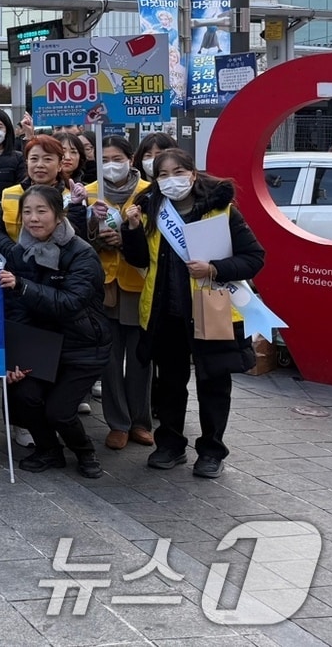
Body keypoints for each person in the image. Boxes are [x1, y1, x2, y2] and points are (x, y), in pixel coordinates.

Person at [121, 149, 265, 478]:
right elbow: (140, 260)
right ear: (156, 180)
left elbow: (254, 257)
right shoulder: (151, 210)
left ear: (193, 173)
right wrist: (131, 229)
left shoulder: (221, 211)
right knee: (169, 385)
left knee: (213, 384)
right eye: (163, 175)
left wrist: (214, 268)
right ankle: (169, 445)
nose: (172, 180)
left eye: (178, 172)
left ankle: (212, 451)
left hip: (210, 311)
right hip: (165, 314)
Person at [0, 186, 111, 478]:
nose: (33, 219)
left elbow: (70, 304)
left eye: (41, 211)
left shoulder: (82, 254)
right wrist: (16, 358)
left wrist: (23, 286)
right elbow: (15, 310)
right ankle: (49, 450)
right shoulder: (19, 253)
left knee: (59, 411)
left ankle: (85, 452)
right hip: (41, 346)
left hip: (83, 346)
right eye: (27, 212)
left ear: (59, 216)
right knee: (23, 393)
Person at [86, 136, 154, 451]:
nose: (112, 165)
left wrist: (126, 239)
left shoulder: (150, 193)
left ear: (130, 159)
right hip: (103, 285)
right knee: (110, 358)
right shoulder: (88, 194)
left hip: (139, 284)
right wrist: (97, 235)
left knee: (140, 356)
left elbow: (156, 240)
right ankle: (118, 422)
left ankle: (141, 420)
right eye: (105, 159)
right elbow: (77, 236)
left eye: (117, 158)